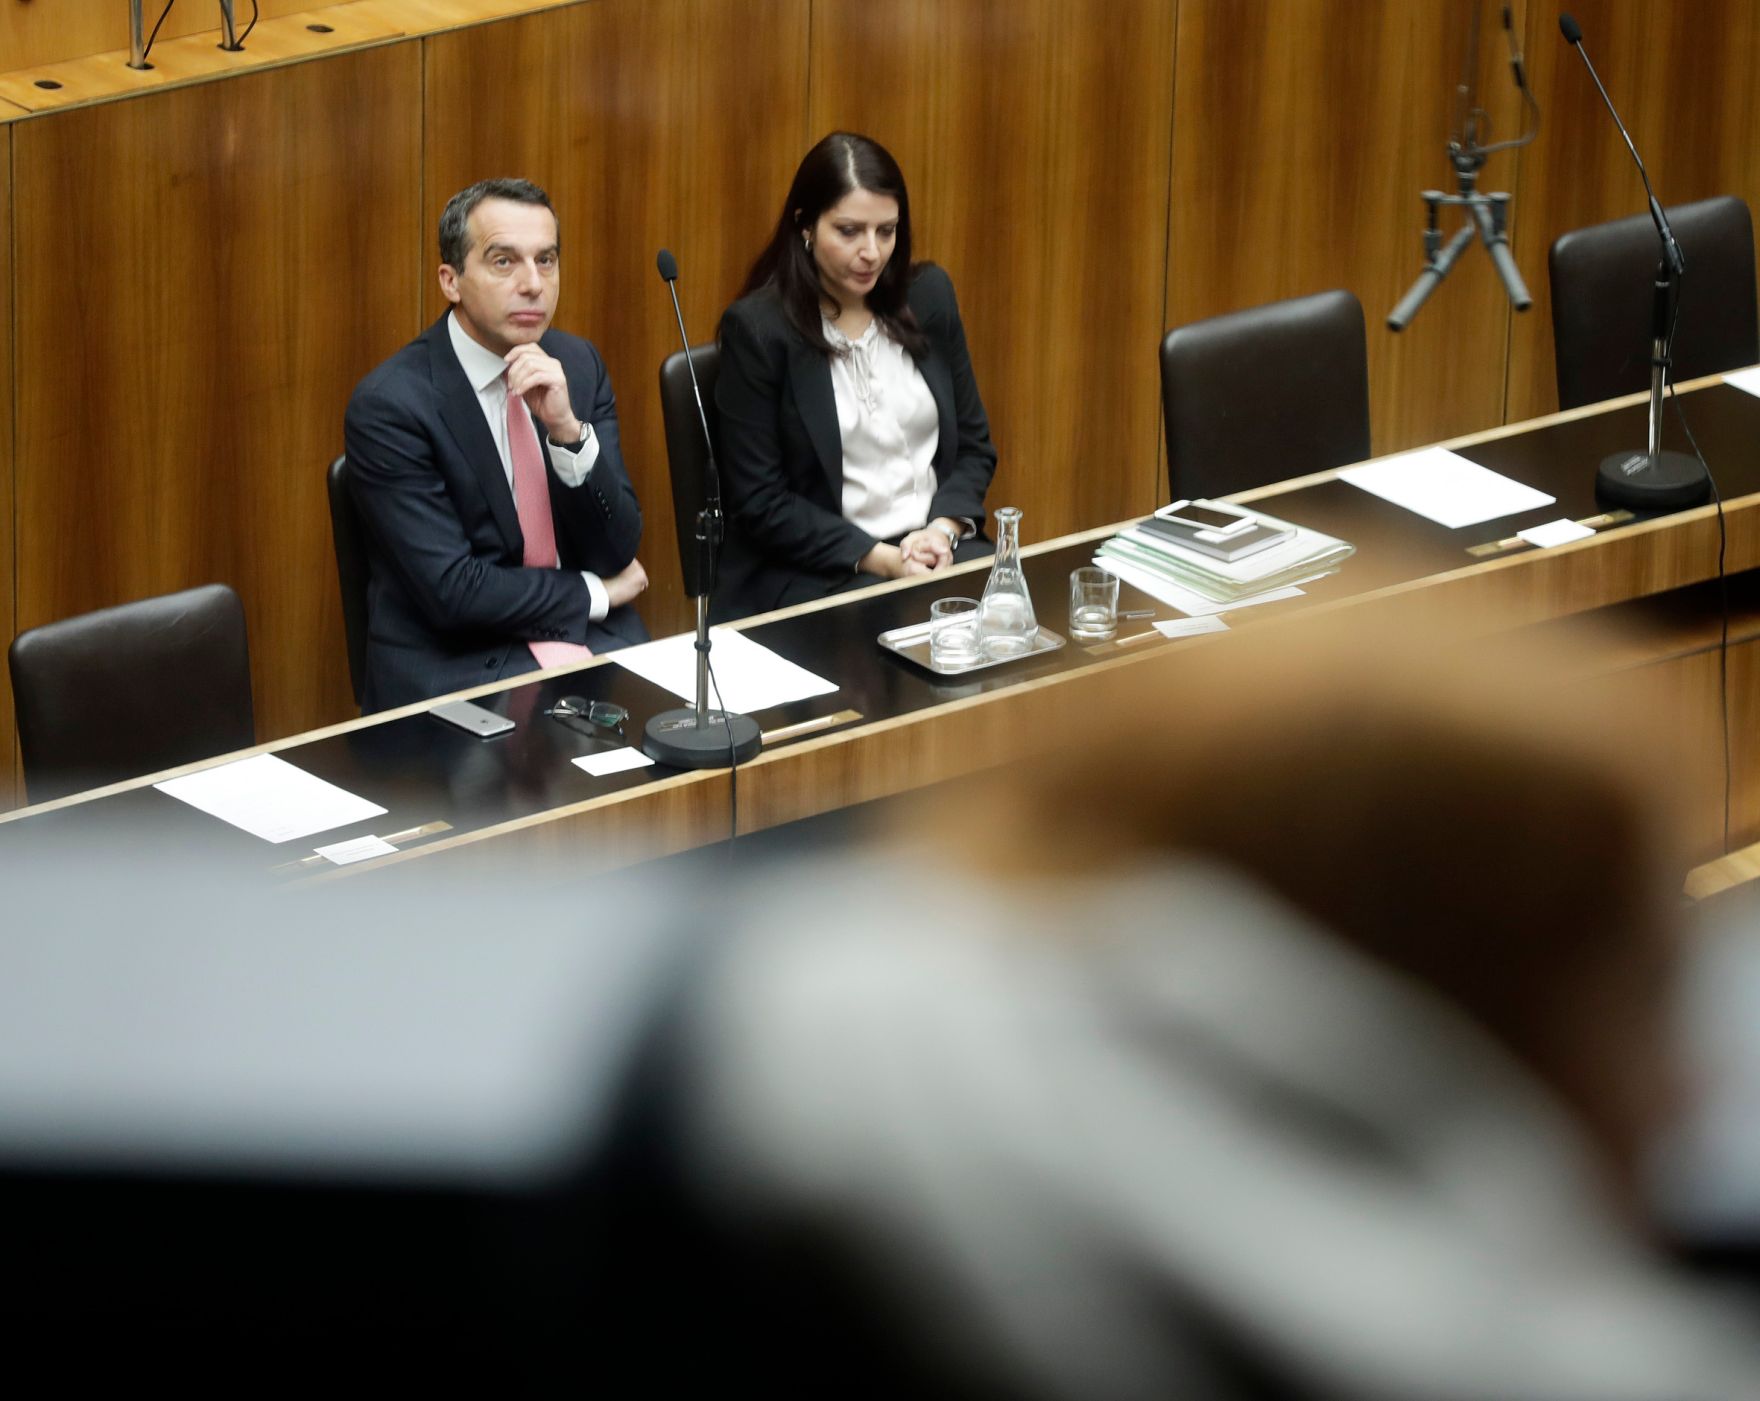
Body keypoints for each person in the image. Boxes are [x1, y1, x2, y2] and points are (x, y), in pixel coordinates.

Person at [344, 178, 648, 711]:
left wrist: (568, 434)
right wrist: (595, 594)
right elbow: (453, 591)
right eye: (504, 262)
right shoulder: (391, 405)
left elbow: (616, 548)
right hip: (460, 672)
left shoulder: (576, 366)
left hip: (593, 647)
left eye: (546, 260)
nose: (533, 283)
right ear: (451, 281)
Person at [712, 132, 998, 620]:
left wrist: (942, 530)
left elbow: (974, 445)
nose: (872, 252)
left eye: (886, 231)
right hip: (820, 574)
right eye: (849, 231)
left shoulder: (928, 297)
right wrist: (885, 560)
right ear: (805, 226)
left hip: (934, 551)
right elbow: (761, 503)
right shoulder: (759, 331)